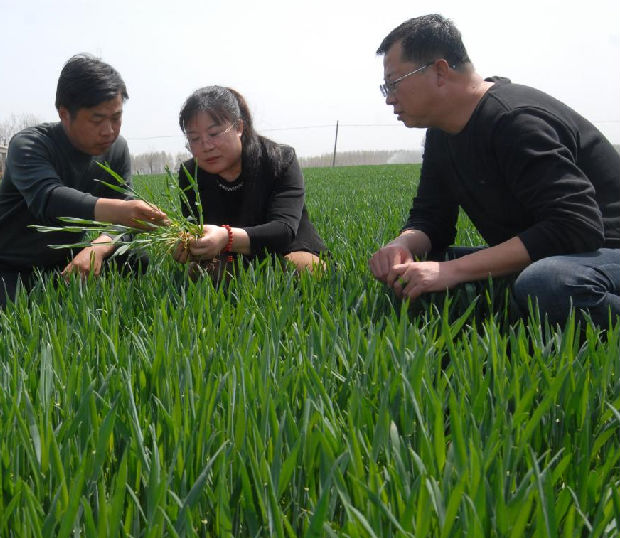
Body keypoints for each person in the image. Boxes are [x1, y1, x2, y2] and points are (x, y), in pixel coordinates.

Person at [369, 14, 620, 328]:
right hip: (555, 253)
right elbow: (432, 220)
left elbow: (576, 226)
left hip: (604, 251)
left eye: (394, 83)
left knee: (547, 283)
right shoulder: (442, 132)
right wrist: (402, 245)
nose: (390, 98)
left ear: (439, 71)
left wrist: (452, 272)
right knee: (414, 271)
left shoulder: (514, 120)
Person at [0, 54, 166, 309]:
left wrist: (97, 249)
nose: (109, 130)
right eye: (97, 119)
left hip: (63, 260)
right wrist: (123, 210)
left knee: (135, 260)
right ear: (65, 114)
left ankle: (66, 288)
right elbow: (48, 198)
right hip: (7, 264)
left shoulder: (116, 149)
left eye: (116, 117)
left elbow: (122, 223)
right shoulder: (30, 144)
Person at [172, 86, 326, 275]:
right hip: (230, 257)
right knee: (200, 272)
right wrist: (191, 246)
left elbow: (283, 231)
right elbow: (197, 228)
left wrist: (226, 237)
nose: (206, 146)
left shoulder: (279, 160)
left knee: (300, 268)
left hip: (288, 251)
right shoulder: (190, 174)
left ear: (239, 127)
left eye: (214, 134)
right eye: (194, 138)